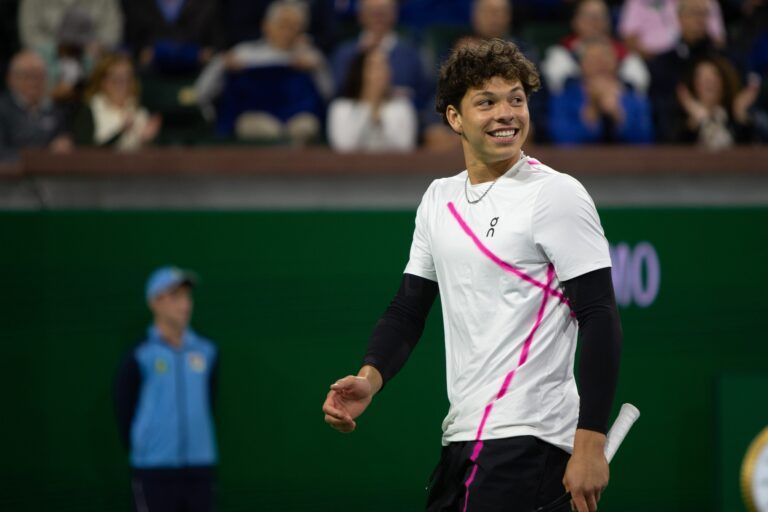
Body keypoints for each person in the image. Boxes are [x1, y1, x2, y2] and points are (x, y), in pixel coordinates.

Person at [322, 38, 622, 512]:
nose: (507, 113)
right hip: (463, 438)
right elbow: (407, 309)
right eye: (487, 102)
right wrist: (370, 377)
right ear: (454, 118)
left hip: (529, 437)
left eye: (516, 99)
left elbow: (600, 315)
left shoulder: (555, 195)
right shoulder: (438, 198)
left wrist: (588, 442)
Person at [115, 266, 219, 512]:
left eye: (187, 296)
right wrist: (147, 445)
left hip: (200, 468)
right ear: (155, 302)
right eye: (175, 297)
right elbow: (124, 405)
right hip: (154, 469)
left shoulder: (207, 351)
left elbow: (209, 401)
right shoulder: (140, 354)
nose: (184, 304)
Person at [195, 0, 330, 142]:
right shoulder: (243, 53)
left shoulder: (310, 57)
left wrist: (318, 68)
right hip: (254, 117)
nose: (288, 32)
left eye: (295, 27)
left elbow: (328, 96)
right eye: (283, 24)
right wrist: (221, 66)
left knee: (305, 127)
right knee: (267, 129)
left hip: (297, 117)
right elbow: (203, 92)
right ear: (266, 26)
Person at [549, 39, 653, 144]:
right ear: (581, 64)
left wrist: (617, 113)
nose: (600, 65)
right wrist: (592, 107)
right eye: (593, 60)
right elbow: (563, 139)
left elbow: (645, 139)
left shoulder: (633, 97)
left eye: (605, 59)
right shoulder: (565, 98)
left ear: (616, 63)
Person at [541, 0, 649, 96]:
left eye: (601, 16)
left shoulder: (624, 53)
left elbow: (639, 83)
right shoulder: (562, 52)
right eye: (589, 16)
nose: (595, 22)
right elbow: (556, 85)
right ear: (575, 21)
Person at [328, 49, 417, 152]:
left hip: (392, 167)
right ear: (360, 71)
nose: (382, 72)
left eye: (385, 66)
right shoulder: (341, 108)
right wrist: (370, 108)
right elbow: (343, 146)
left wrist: (379, 114)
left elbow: (405, 147)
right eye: (375, 67)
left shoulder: (402, 107)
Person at [73, 54, 161, 150]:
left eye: (128, 78)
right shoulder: (90, 111)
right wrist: (120, 134)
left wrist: (147, 141)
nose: (123, 85)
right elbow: (86, 154)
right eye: (116, 79)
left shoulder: (140, 112)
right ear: (103, 82)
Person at [0, 50, 72, 161]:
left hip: (51, 174)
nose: (34, 82)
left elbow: (64, 141)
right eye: (27, 76)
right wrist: (42, 156)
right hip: (11, 176)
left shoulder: (56, 110)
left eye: (39, 76)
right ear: (11, 79)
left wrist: (64, 146)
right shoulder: (3, 110)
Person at [675, 55, 759, 148]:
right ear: (694, 84)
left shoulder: (735, 118)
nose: (709, 82)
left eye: (714, 76)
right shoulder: (680, 118)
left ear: (724, 82)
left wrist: (740, 114)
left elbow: (751, 153)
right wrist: (697, 121)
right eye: (702, 78)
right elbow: (673, 152)